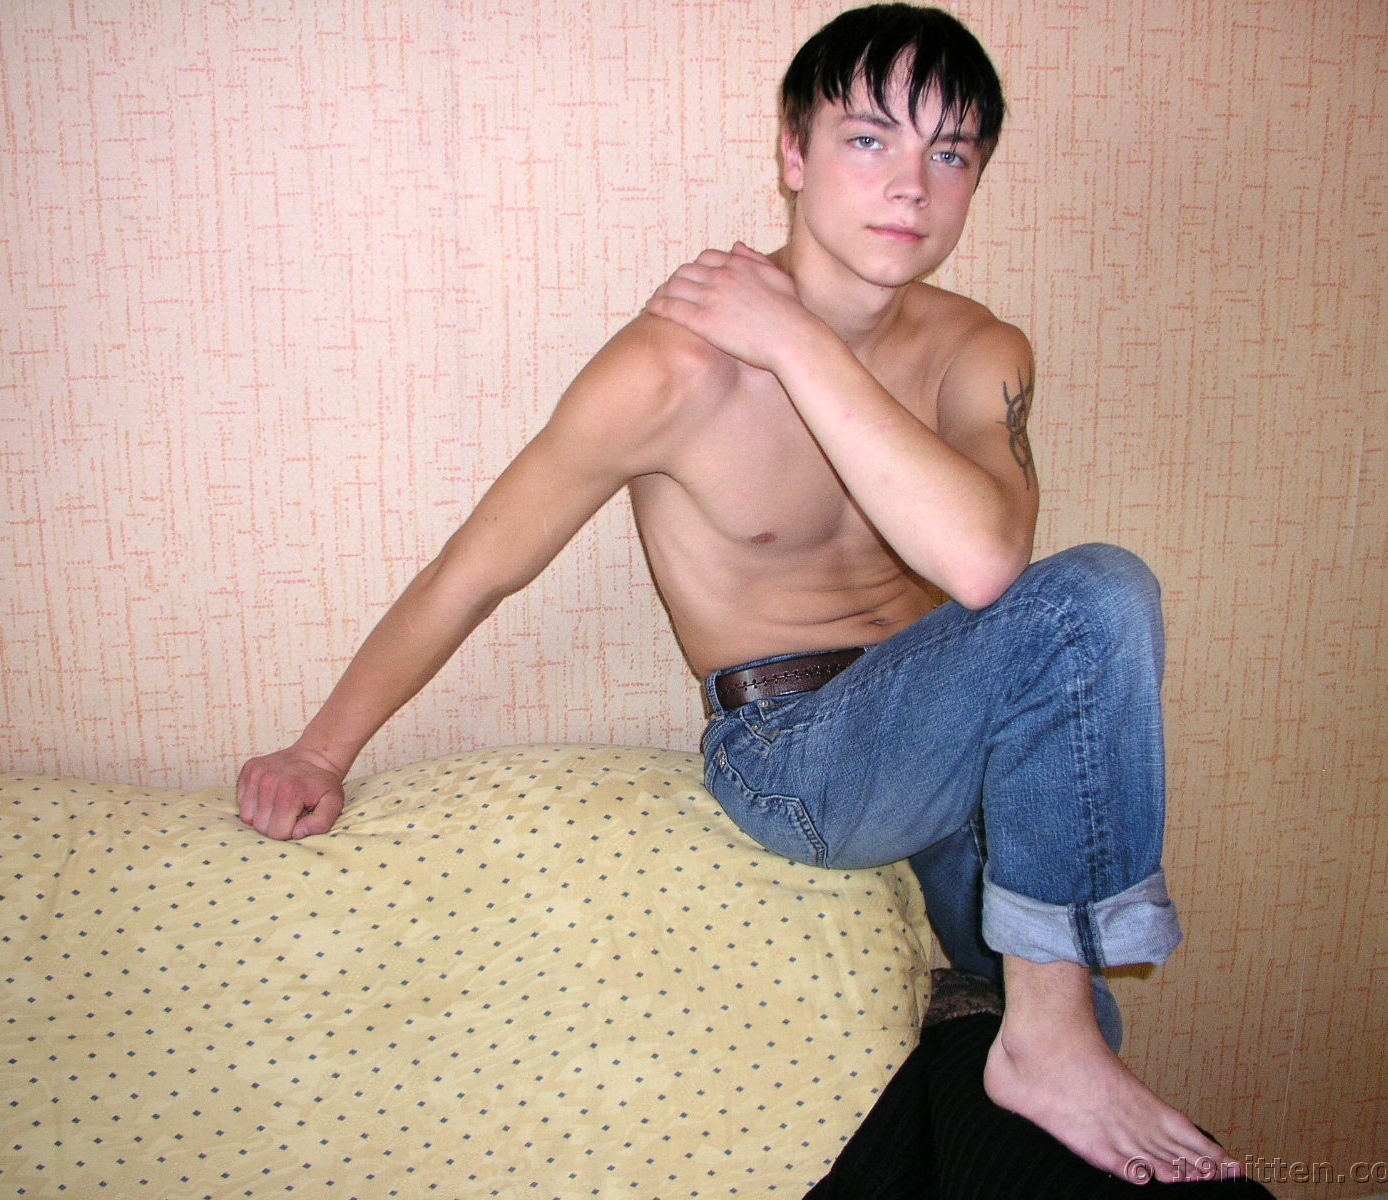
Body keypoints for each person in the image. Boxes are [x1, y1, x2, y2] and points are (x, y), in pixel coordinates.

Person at [238, 3, 1241, 1186]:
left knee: (1048, 1111)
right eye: (868, 139)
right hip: (790, 752)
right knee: (1097, 597)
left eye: (950, 154)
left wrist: (798, 340)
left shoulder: (979, 350)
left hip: (947, 744)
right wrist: (320, 750)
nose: (910, 185)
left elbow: (981, 560)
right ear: (791, 154)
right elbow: (477, 570)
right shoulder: (670, 367)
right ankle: (1050, 1043)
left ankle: (1031, 1053)